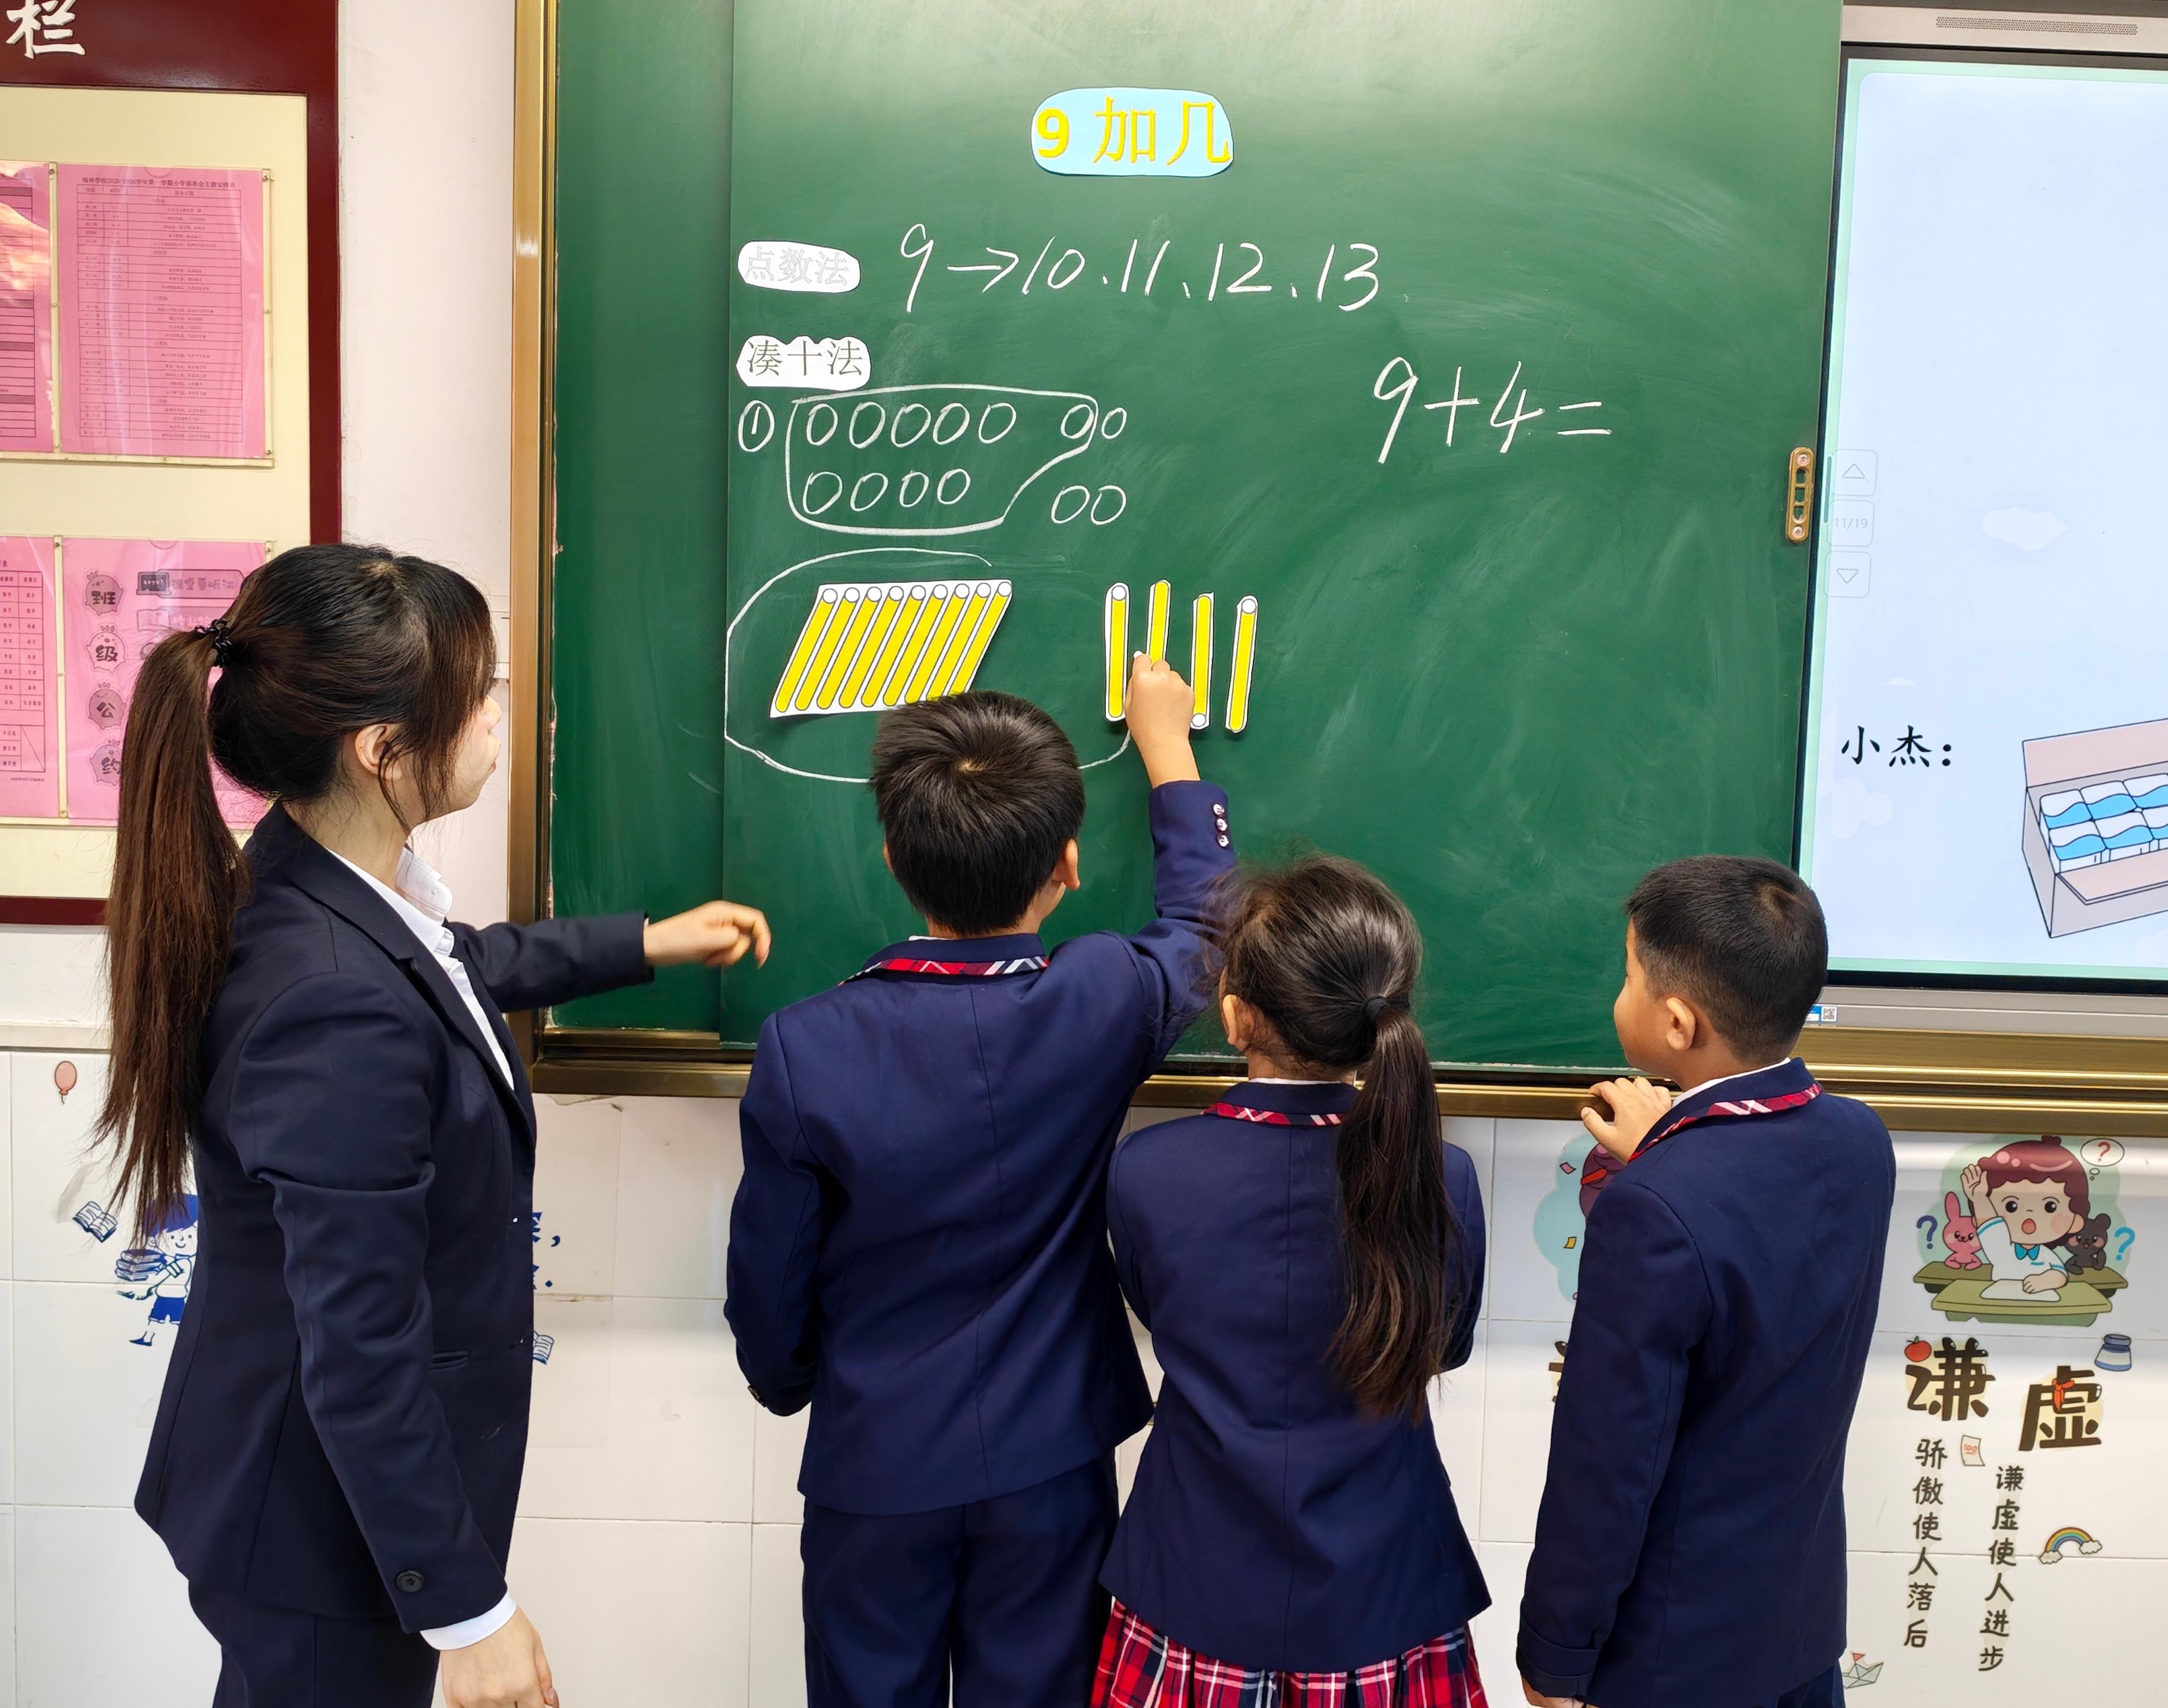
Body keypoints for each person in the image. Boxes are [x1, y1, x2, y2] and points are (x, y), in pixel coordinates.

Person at [96, 543, 771, 1708]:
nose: (498, 716)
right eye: (477, 695)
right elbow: (360, 1347)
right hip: (319, 1530)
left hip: (296, 1489)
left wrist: (645, 943)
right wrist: (469, 1613)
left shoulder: (320, 885)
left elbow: (458, 964)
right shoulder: (330, 1001)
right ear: (382, 749)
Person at [725, 656, 1233, 1708]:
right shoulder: (1101, 1000)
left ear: (892, 858)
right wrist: (1168, 753)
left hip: (877, 1458)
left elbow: (770, 1278)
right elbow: (1207, 931)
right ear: (1069, 866)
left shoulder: (805, 1045)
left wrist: (796, 1385)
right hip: (1053, 1459)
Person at [1095, 856, 1489, 1707]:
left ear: (1236, 1016)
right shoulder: (1442, 1176)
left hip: (1194, 1583)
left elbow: (1156, 1311)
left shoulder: (1148, 1170)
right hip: (1386, 1590)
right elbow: (1444, 1348)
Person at [1519, 856, 1895, 1708]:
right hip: (1795, 1631)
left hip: (1673, 1657)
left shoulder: (1653, 1205)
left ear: (1678, 1024)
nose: (1621, 993)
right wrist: (1669, 1149)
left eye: (1628, 977)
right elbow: (1755, 1231)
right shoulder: (1861, 1141)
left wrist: (1556, 1653)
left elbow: (1606, 1462)